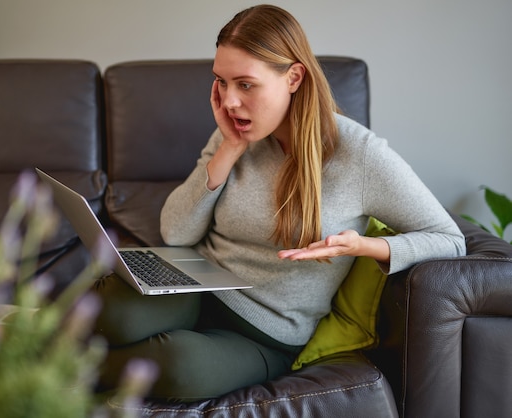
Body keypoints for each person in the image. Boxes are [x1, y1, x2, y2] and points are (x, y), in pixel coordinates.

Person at [93, 4, 466, 401]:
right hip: (200, 286)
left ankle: (47, 361)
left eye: (246, 84)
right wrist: (229, 150)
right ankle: (44, 355)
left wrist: (364, 247)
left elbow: (450, 239)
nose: (230, 101)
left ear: (293, 77)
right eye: (221, 81)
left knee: (177, 368)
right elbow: (176, 232)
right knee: (110, 310)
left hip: (268, 330)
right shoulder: (233, 131)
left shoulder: (361, 156)